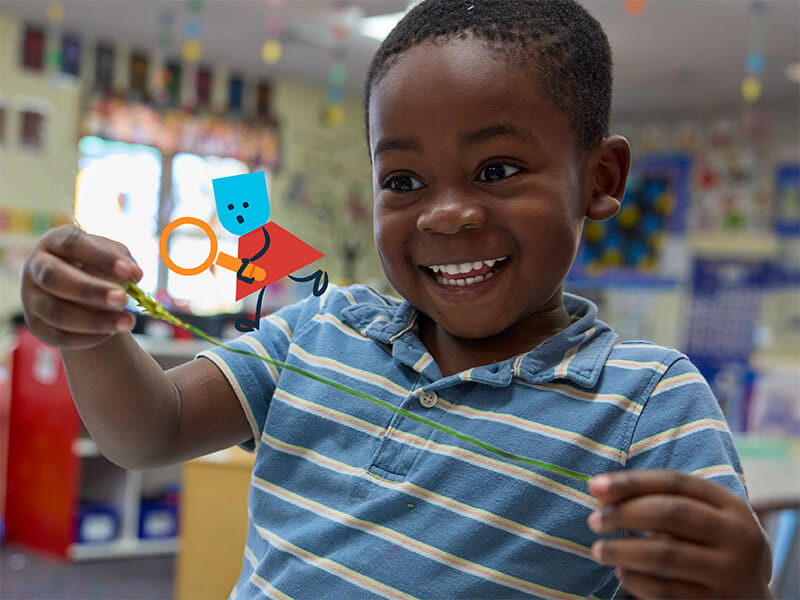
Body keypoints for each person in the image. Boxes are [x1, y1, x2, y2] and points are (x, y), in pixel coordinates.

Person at [20, 0, 772, 598]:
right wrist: (90, 335)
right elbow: (151, 432)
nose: (446, 214)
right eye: (403, 182)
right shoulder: (319, 329)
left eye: (498, 168)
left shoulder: (649, 404)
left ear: (601, 179)